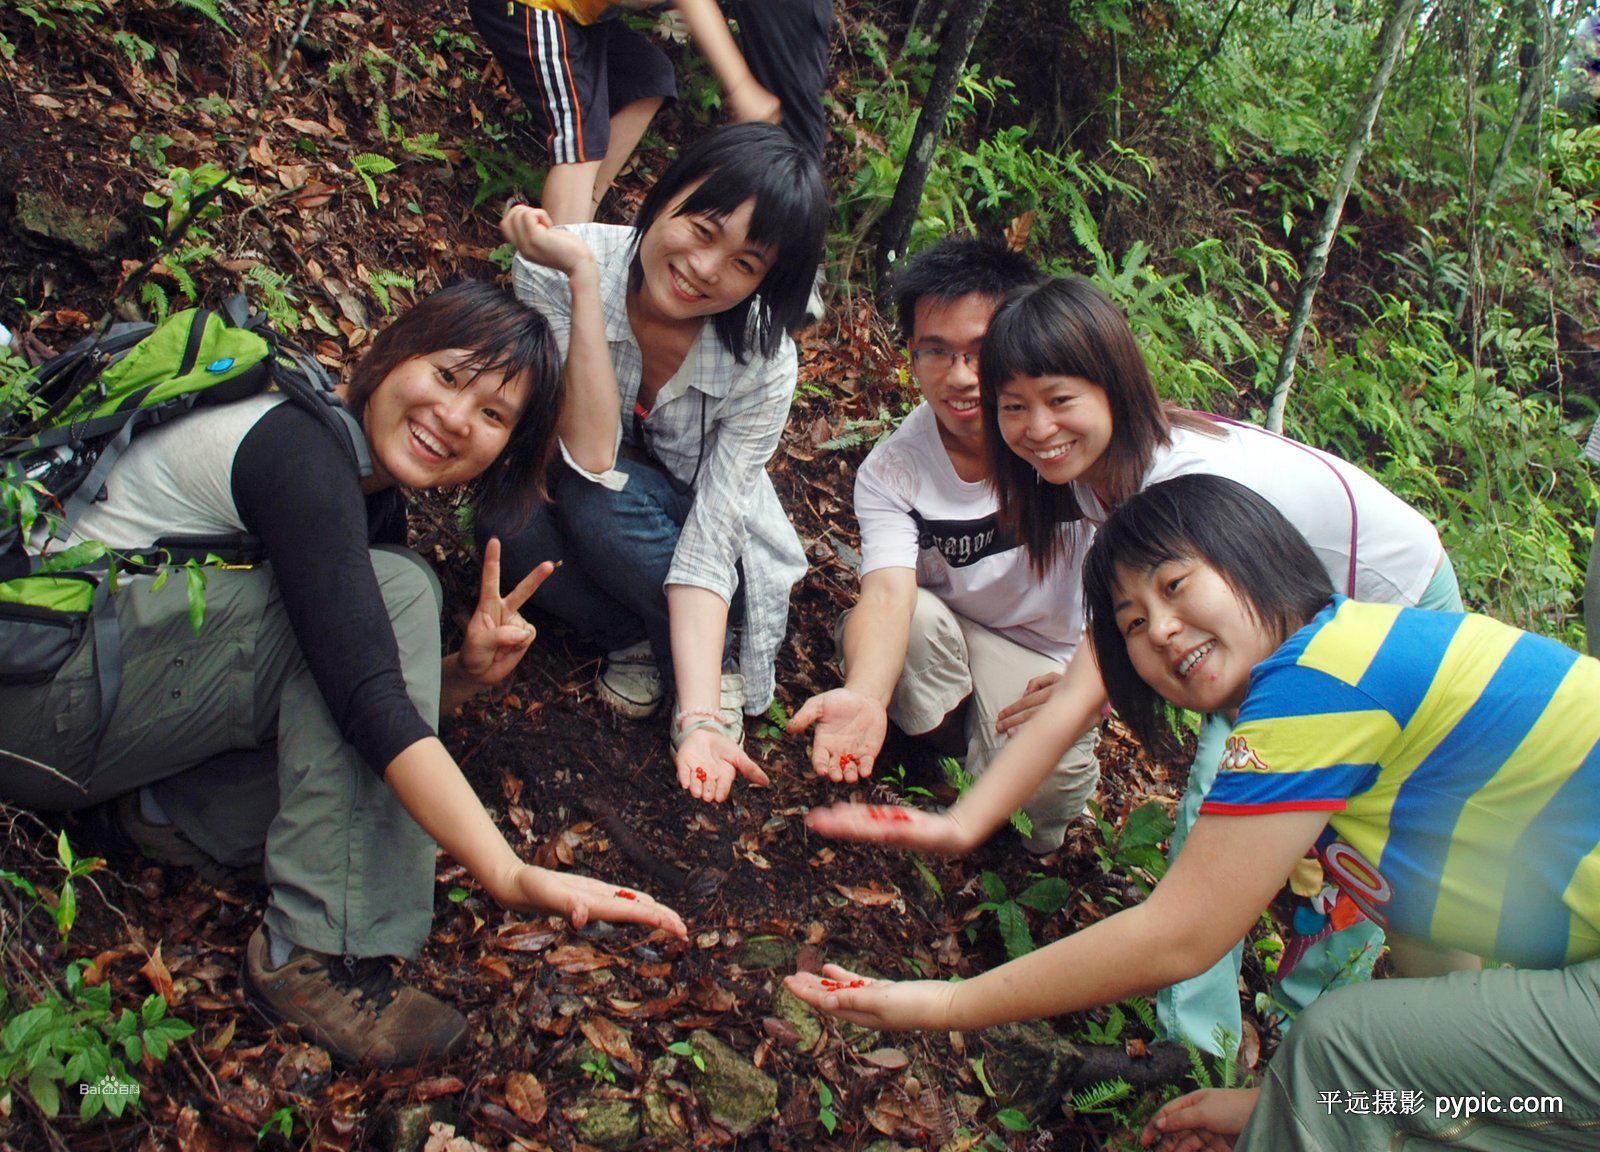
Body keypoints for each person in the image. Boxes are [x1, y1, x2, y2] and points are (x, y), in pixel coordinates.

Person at [790, 475, 1600, 1151]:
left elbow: (1180, 934)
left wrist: (943, 1004)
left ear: (1256, 561)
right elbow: (1433, 962)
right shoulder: (1352, 708)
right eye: (1132, 624)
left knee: (1342, 1041)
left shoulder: (1324, 678)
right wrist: (1290, 1108)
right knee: (1453, 1105)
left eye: (1175, 586)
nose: (1162, 630)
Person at [0, 282, 687, 1068]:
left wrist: (462, 674)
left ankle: (164, 816)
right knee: (397, 592)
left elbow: (348, 684)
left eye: (494, 416)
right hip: (37, 702)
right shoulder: (297, 451)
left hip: (94, 715)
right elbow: (367, 699)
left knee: (393, 592)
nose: (456, 417)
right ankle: (316, 954)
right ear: (391, 352)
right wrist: (510, 873)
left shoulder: (367, 492)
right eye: (449, 375)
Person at [806, 276, 1466, 1054]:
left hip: (1392, 609)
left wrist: (965, 821)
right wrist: (962, 822)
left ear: (1112, 382)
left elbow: (1090, 687)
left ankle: (1221, 1049)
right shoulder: (1094, 474)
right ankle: (1297, 1043)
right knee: (1343, 828)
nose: (1036, 429)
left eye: (1058, 400)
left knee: (1280, 813)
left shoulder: (1178, 487)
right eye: (1012, 407)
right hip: (1284, 621)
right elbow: (1105, 670)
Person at [488, 123, 828, 804]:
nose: (707, 269)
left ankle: (709, 659)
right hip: (585, 478)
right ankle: (635, 635)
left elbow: (711, 530)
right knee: (507, 518)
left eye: (745, 264)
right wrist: (584, 281)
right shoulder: (563, 262)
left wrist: (698, 715)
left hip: (691, 529)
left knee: (599, 502)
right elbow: (585, 450)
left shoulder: (763, 358)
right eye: (703, 230)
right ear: (666, 194)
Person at [787, 238, 1100, 854]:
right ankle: (949, 748)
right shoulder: (895, 470)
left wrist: (1095, 680)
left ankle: (1001, 781)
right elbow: (885, 594)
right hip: (948, 628)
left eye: (982, 352)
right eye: (936, 351)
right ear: (911, 355)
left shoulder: (1066, 442)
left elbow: (1136, 586)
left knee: (1045, 800)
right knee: (914, 626)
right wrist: (867, 695)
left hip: (1047, 654)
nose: (960, 378)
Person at [468, 0, 833, 224]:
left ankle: (579, 221)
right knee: (580, 140)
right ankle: (554, 284)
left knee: (648, 78)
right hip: (530, 6)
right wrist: (740, 86)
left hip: (579, 17)